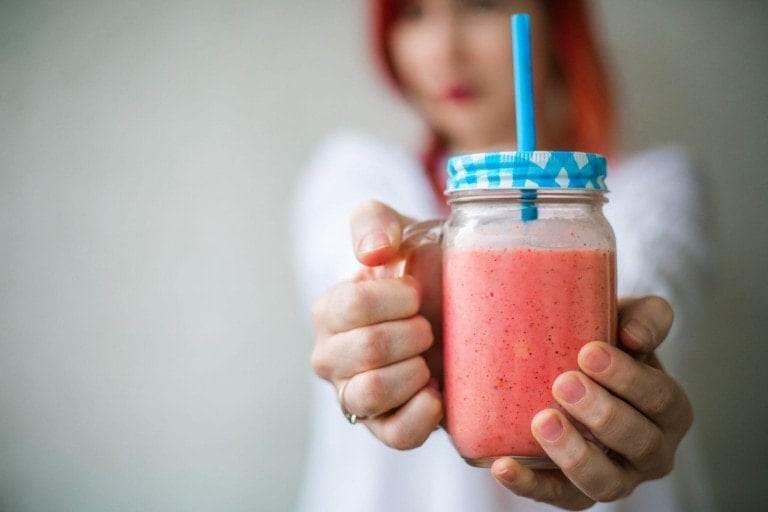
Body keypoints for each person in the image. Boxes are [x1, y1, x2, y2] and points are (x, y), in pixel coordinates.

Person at [291, 1, 712, 510]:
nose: (445, 51)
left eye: (482, 4)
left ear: (556, 20)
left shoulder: (654, 185)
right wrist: (369, 321)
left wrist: (626, 346)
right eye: (412, 12)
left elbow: (649, 288)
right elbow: (347, 269)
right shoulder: (355, 172)